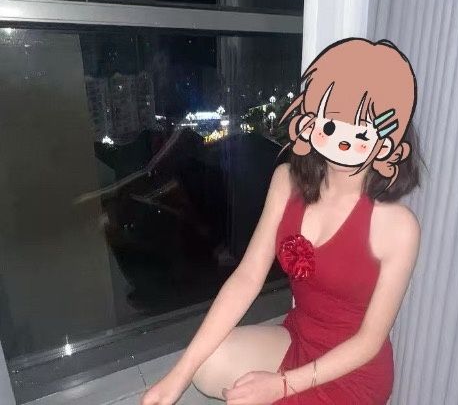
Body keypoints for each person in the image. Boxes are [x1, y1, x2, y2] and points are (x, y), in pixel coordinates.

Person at [141, 37, 421, 405]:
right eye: (331, 125)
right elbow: (247, 277)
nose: (341, 142)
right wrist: (178, 374)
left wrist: (283, 385)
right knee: (206, 366)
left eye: (361, 132)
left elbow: (369, 342)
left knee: (264, 393)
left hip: (354, 371)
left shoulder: (397, 226)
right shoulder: (286, 182)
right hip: (300, 336)